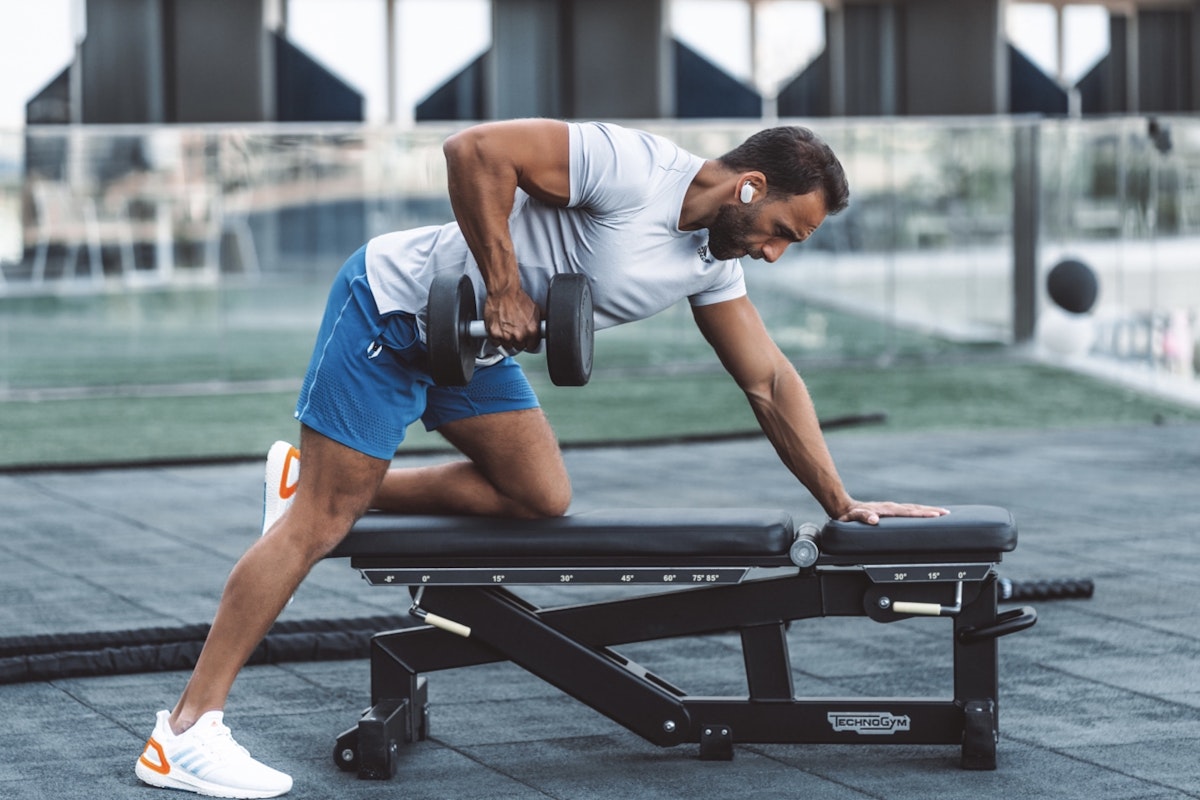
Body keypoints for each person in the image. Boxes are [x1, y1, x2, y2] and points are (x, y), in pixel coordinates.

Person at [134, 118, 948, 798]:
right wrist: (502, 283)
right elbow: (474, 151)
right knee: (319, 524)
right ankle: (184, 733)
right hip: (391, 313)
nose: (775, 254)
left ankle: (310, 484)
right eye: (782, 232)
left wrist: (840, 502)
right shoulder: (634, 169)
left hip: (473, 354)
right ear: (749, 188)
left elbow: (768, 380)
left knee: (537, 495)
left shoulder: (711, 264)